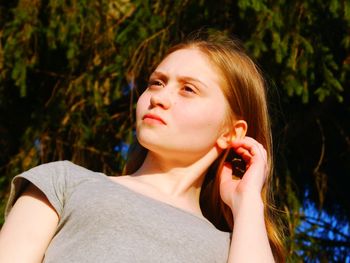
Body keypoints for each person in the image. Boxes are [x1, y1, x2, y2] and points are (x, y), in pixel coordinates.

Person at [0, 32, 285, 262]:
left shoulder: (232, 248)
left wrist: (247, 202)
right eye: (156, 83)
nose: (159, 97)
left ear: (231, 132)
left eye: (188, 89)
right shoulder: (65, 182)